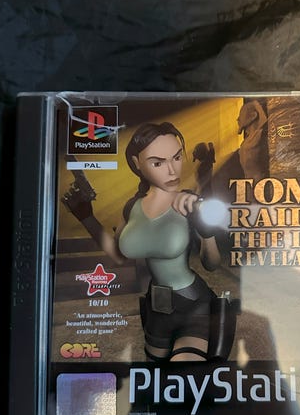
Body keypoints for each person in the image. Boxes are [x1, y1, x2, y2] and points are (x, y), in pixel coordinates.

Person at [63, 122, 221, 362]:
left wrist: (206, 231)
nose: (172, 171)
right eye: (158, 163)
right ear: (137, 164)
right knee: (153, 376)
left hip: (193, 304)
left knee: (182, 373)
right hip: (156, 308)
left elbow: (212, 264)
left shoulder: (188, 202)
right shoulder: (132, 207)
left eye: (177, 158)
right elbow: (118, 256)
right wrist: (86, 217)